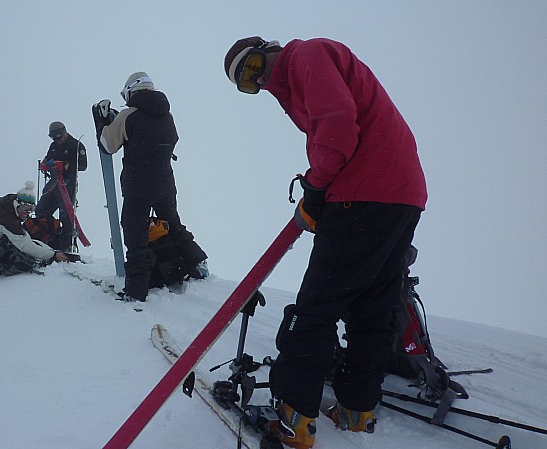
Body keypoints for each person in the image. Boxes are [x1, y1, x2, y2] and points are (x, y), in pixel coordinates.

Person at [224, 37, 427, 448]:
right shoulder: (302, 75)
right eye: (247, 83)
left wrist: (316, 189)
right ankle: (357, 409)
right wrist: (321, 187)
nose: (259, 80)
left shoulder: (308, 55)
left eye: (252, 66)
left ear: (271, 48)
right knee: (372, 306)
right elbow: (339, 129)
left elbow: (336, 127)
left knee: (316, 307)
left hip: (363, 190)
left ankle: (293, 417)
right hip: (402, 195)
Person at [92, 72, 208, 302]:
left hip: (138, 185)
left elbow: (107, 146)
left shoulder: (128, 116)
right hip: (165, 181)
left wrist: (103, 123)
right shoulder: (167, 114)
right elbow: (172, 140)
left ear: (130, 91)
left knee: (136, 236)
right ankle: (197, 263)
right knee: (173, 224)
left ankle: (136, 291)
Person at [0, 181, 69, 288]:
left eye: (31, 208)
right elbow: (25, 245)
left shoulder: (0, 203)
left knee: (6, 246)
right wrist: (53, 255)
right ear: (18, 203)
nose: (27, 212)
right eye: (25, 208)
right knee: (1, 267)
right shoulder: (8, 221)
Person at [34, 121, 87, 252]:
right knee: (41, 210)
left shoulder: (76, 145)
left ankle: (66, 246)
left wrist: (67, 165)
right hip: (53, 184)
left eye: (58, 136)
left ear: (64, 132)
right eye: (53, 137)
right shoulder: (53, 146)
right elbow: (49, 159)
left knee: (66, 216)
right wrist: (44, 164)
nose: (56, 140)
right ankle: (49, 238)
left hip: (68, 185)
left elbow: (83, 165)